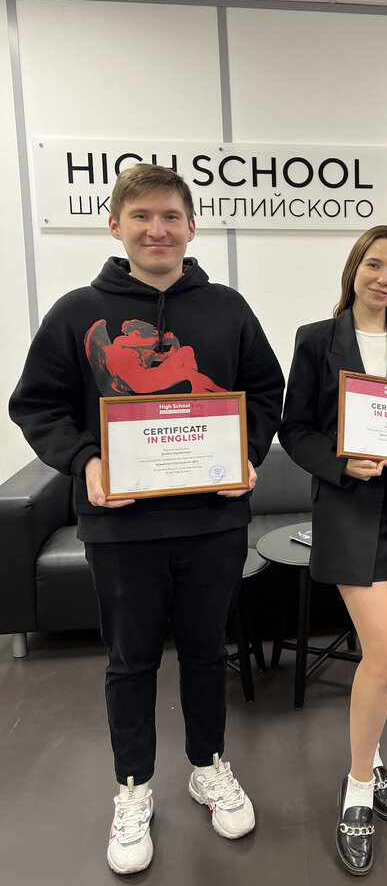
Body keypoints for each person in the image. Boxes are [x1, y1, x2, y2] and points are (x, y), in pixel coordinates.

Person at [9, 164, 284, 874]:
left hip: (214, 523)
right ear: (115, 225)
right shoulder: (76, 312)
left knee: (206, 654)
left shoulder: (228, 308)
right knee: (130, 661)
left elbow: (265, 390)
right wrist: (85, 462)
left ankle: (208, 765)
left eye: (170, 217)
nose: (156, 230)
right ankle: (133, 787)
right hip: (120, 529)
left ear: (192, 227)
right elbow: (36, 405)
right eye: (141, 217)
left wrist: (249, 452)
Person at [279, 225, 387, 876]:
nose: (384, 278)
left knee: (382, 662)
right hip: (349, 514)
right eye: (374, 265)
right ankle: (357, 790)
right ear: (354, 269)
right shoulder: (316, 339)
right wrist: (342, 462)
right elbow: (295, 429)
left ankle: (372, 757)